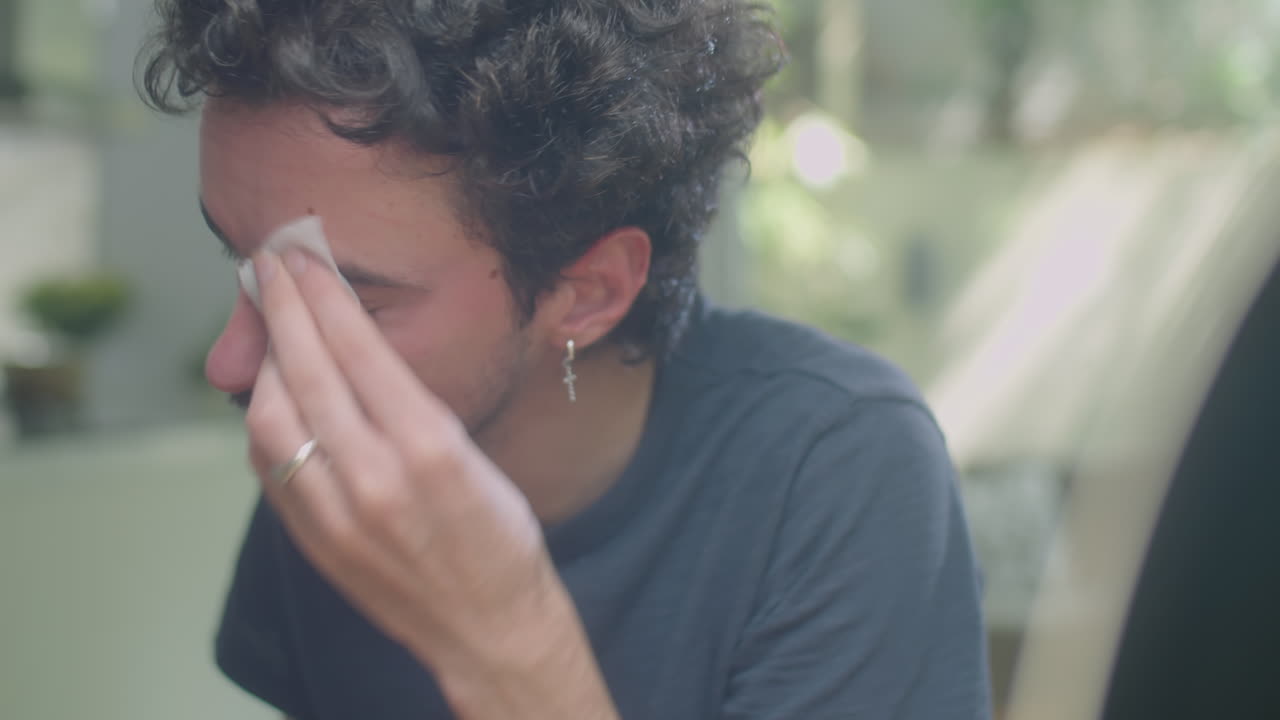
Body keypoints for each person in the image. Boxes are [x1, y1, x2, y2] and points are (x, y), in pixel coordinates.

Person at [139, 1, 992, 718]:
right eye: (242, 264)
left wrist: (505, 640)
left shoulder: (837, 467)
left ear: (588, 293)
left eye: (347, 303)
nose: (233, 364)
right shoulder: (338, 450)